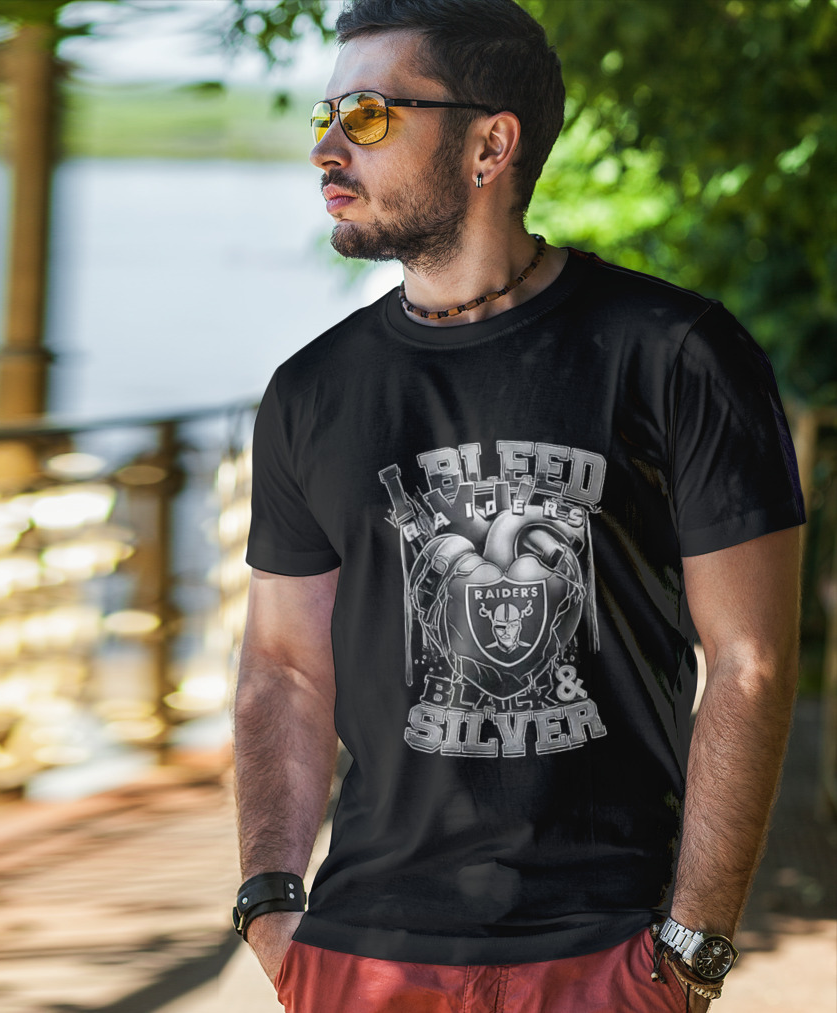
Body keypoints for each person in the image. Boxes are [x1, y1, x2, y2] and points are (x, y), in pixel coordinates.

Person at [233, 2, 806, 1011]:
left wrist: (693, 948)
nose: (326, 148)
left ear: (490, 145)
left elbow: (750, 660)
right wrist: (272, 906)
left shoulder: (675, 353)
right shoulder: (312, 391)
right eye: (325, 117)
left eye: (366, 116)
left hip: (604, 949)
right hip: (363, 954)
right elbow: (283, 664)